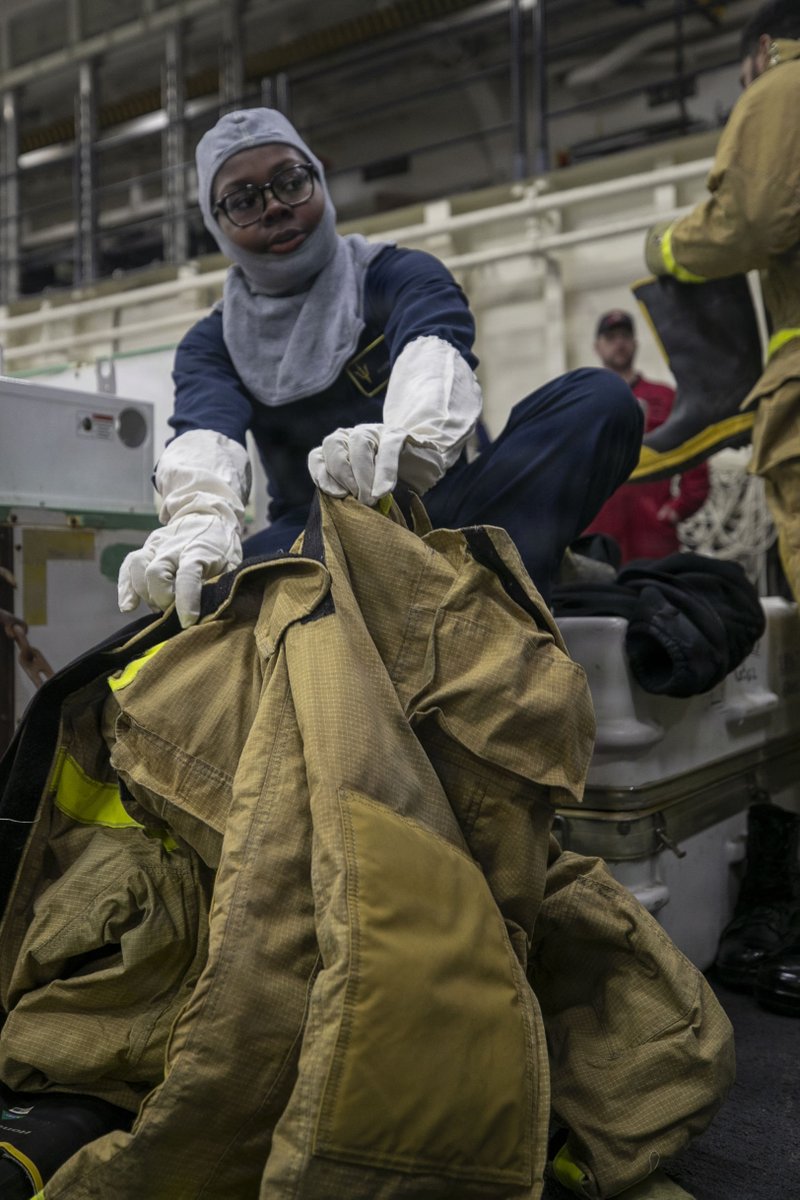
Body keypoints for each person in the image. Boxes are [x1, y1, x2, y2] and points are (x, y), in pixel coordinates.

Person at [117, 106, 643, 628]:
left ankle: (458, 585)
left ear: (319, 182)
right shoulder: (211, 342)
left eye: (290, 181)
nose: (275, 206)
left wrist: (413, 441)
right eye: (243, 201)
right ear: (217, 224)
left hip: (440, 513)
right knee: (183, 616)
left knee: (600, 400)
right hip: (312, 539)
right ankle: (485, 579)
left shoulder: (397, 275)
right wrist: (201, 519)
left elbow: (435, 345)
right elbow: (206, 428)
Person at [644, 0, 800, 602]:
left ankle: (722, 396)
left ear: (763, 50)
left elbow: (752, 222)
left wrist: (665, 248)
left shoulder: (780, 84)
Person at [582, 309, 710, 563]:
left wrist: (677, 509)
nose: (619, 343)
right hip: (599, 536)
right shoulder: (585, 401)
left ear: (635, 343)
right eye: (611, 338)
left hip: (653, 537)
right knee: (601, 601)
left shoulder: (665, 398)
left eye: (625, 336)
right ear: (598, 347)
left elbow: (693, 456)